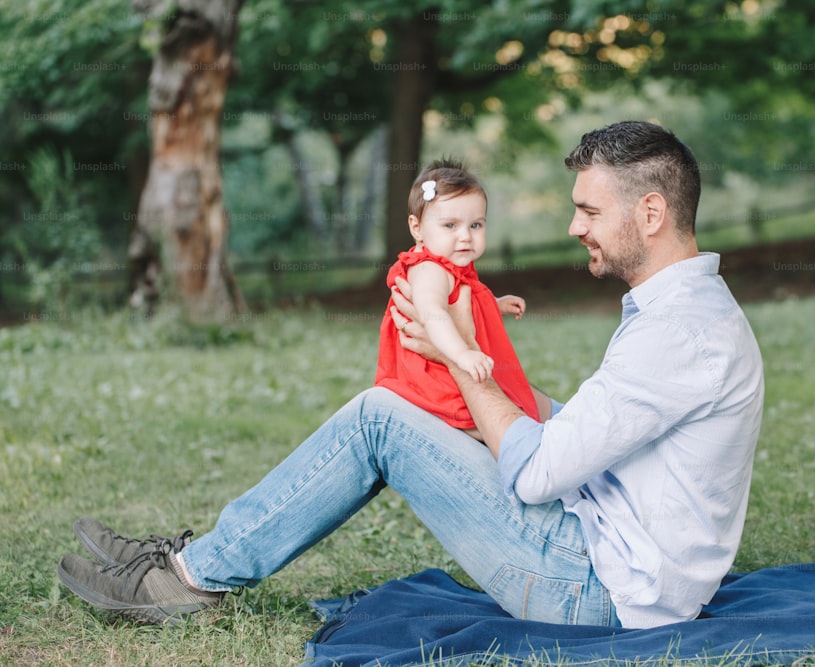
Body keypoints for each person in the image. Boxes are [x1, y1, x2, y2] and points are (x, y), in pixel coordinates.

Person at [57, 120, 764, 630]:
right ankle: (195, 561)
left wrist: (454, 356)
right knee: (399, 407)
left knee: (380, 415)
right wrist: (457, 357)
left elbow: (535, 473)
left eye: (588, 209)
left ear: (650, 211)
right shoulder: (681, 312)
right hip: (608, 546)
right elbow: (582, 432)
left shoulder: (679, 332)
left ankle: (188, 578)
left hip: (599, 588)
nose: (576, 226)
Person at [374, 159, 540, 433]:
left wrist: (493, 305)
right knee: (475, 418)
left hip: (446, 367)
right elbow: (434, 314)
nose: (465, 236)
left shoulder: (448, 264)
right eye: (450, 225)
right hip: (434, 382)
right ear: (417, 228)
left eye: (475, 225)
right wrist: (462, 355)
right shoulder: (429, 270)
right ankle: (478, 435)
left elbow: (456, 305)